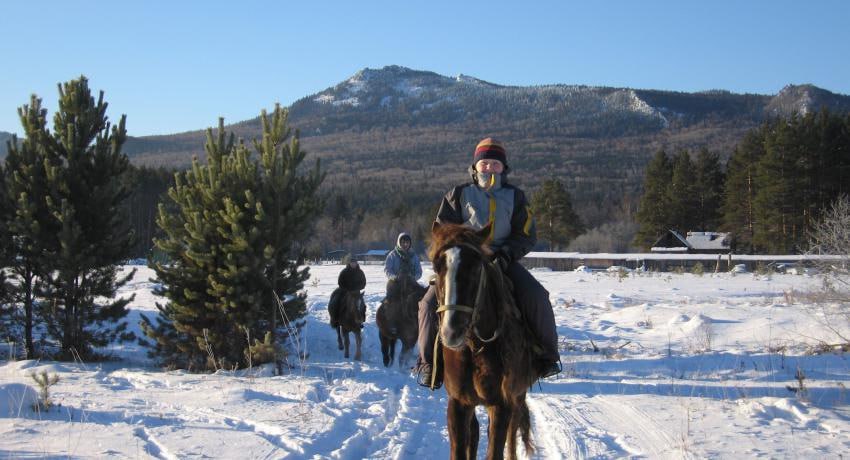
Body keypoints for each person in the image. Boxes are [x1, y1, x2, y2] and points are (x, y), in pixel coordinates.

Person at [416, 137, 561, 388]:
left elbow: (526, 234)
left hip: (502, 259)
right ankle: (429, 364)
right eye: (484, 163)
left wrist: (505, 254)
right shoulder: (458, 194)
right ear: (475, 167)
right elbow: (443, 232)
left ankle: (546, 356)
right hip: (463, 260)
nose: (489, 168)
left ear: (504, 168)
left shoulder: (516, 196)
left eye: (495, 164)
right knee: (428, 304)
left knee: (536, 296)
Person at [328, 258, 367, 327]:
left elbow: (363, 282)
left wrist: (357, 288)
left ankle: (361, 320)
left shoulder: (360, 272)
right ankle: (335, 319)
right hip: (345, 291)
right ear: (349, 263)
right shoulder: (344, 271)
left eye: (354, 263)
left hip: (356, 292)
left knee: (362, 305)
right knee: (336, 302)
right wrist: (346, 289)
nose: (353, 264)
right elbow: (340, 282)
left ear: (357, 263)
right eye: (352, 263)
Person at [384, 232, 422, 299]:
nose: (405, 244)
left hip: (411, 282)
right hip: (395, 282)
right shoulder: (392, 255)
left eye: (407, 242)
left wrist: (414, 278)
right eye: (403, 242)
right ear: (399, 243)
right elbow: (387, 270)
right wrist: (394, 277)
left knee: (422, 295)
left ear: (410, 243)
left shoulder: (414, 256)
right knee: (390, 299)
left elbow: (419, 271)